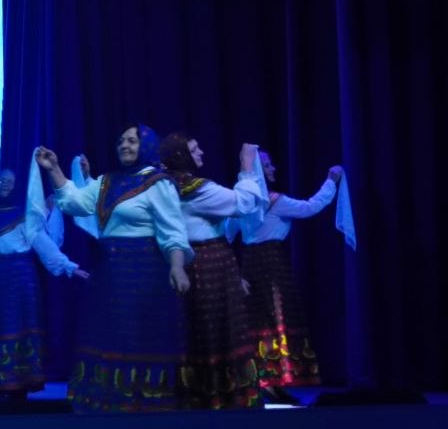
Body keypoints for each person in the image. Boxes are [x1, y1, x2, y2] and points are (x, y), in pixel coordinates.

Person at [36, 124, 193, 413]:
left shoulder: (158, 183)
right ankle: (111, 407)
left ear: (147, 146)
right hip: (109, 272)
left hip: (145, 272)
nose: (124, 146)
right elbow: (74, 203)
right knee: (110, 336)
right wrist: (54, 168)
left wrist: (177, 267)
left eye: (132, 141)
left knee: (140, 338)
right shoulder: (107, 181)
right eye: (121, 141)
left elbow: (173, 231)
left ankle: (145, 408)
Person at [0, 163, 87, 404]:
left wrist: (68, 266)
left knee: (17, 326)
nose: (4, 184)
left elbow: (42, 242)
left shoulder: (25, 216)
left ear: (17, 187)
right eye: (0, 181)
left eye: (9, 181)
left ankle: (18, 386)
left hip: (19, 277)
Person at [160, 134, 266, 410]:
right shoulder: (198, 190)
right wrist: (246, 167)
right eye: (194, 150)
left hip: (181, 261)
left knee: (192, 330)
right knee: (217, 329)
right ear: (181, 156)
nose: (201, 153)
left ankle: (193, 397)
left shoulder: (163, 185)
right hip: (209, 263)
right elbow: (243, 203)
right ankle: (220, 398)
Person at [230, 151, 341, 402]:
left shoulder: (241, 203)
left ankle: (266, 381)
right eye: (267, 166)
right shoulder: (274, 201)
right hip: (272, 265)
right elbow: (310, 207)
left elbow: (226, 236)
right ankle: (269, 382)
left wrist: (236, 273)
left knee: (259, 320)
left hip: (249, 264)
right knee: (274, 319)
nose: (273, 169)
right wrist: (330, 181)